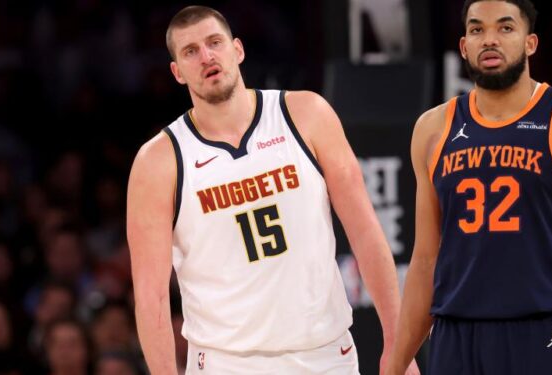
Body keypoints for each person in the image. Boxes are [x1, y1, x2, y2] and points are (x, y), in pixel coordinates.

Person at [126, 5, 419, 374]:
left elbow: (366, 232)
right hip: (225, 361)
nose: (206, 57)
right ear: (177, 72)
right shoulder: (158, 160)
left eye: (214, 43)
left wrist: (397, 341)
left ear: (238, 50)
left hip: (325, 352)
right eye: (190, 51)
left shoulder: (306, 113)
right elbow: (150, 297)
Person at [386, 0, 552, 374]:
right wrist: (395, 362)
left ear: (530, 42)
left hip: (547, 330)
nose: (490, 40)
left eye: (504, 28)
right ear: (464, 45)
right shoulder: (433, 130)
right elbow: (425, 261)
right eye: (476, 29)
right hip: (457, 333)